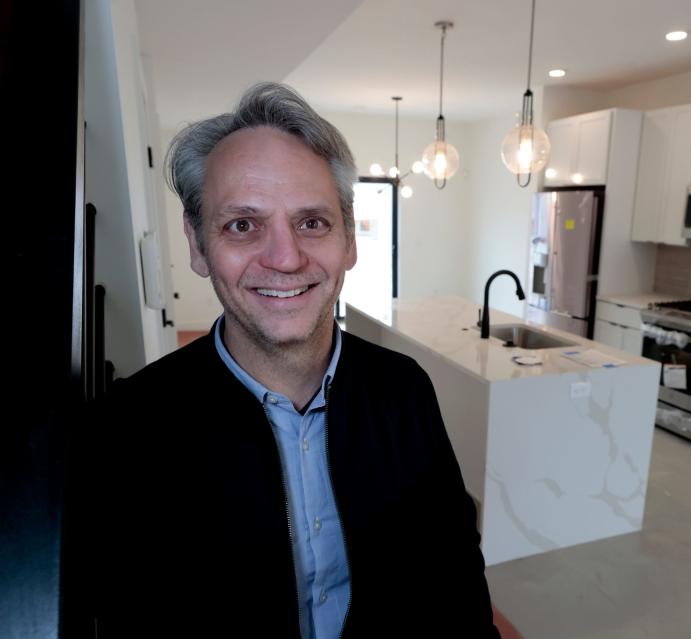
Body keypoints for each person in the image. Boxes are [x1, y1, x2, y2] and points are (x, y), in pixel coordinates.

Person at [64, 82, 501, 638]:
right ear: (198, 246)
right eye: (242, 225)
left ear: (349, 240)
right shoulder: (126, 425)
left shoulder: (404, 389)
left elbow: (455, 575)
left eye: (311, 222)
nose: (286, 258)